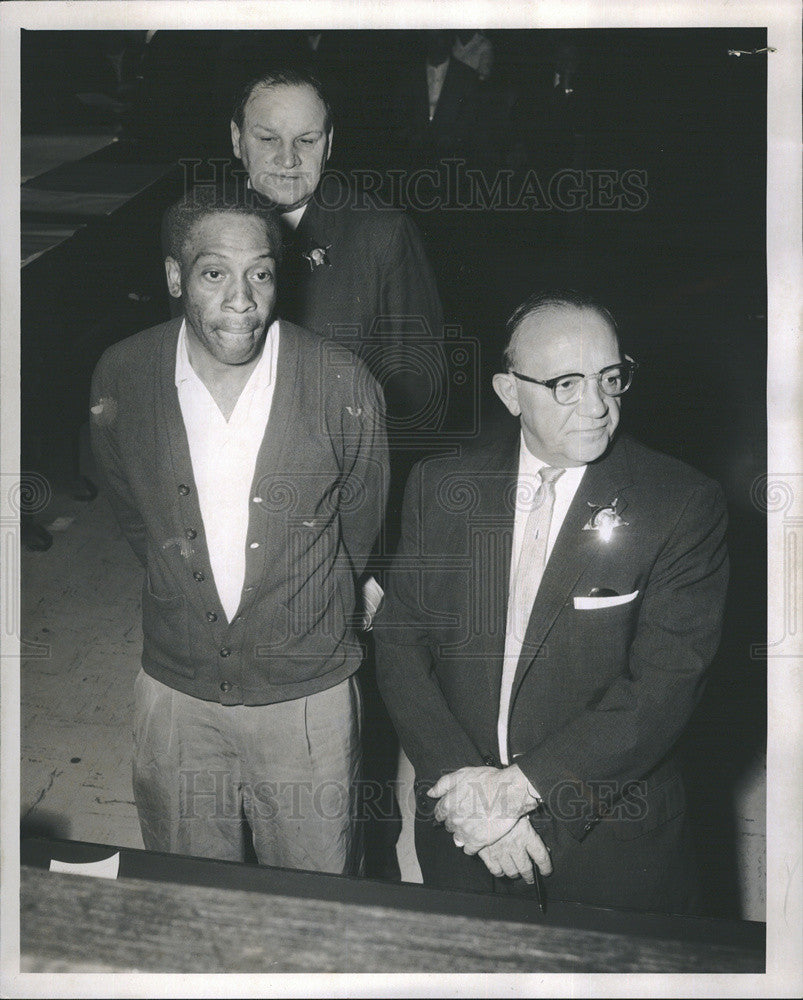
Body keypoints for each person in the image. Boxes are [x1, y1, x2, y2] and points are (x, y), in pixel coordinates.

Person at [374, 289, 729, 912]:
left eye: (610, 378)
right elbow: (401, 643)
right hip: (461, 825)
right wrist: (477, 802)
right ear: (511, 393)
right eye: (565, 384)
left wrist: (521, 792)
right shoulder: (442, 487)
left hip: (601, 839)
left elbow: (664, 689)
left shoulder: (681, 505)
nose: (596, 405)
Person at [90, 189, 388, 874]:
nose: (241, 299)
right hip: (175, 688)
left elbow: (362, 519)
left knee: (315, 896)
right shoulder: (124, 372)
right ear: (175, 278)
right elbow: (134, 512)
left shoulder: (340, 382)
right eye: (213, 272)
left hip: (304, 691)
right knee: (188, 888)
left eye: (260, 272)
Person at [229, 66, 446, 878]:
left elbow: (425, 404)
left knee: (357, 737)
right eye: (267, 138)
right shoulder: (200, 232)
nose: (287, 158)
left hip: (349, 541)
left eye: (306, 140)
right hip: (239, 541)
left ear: (331, 144)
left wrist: (386, 562)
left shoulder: (379, 233)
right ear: (235, 142)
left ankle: (362, 898)